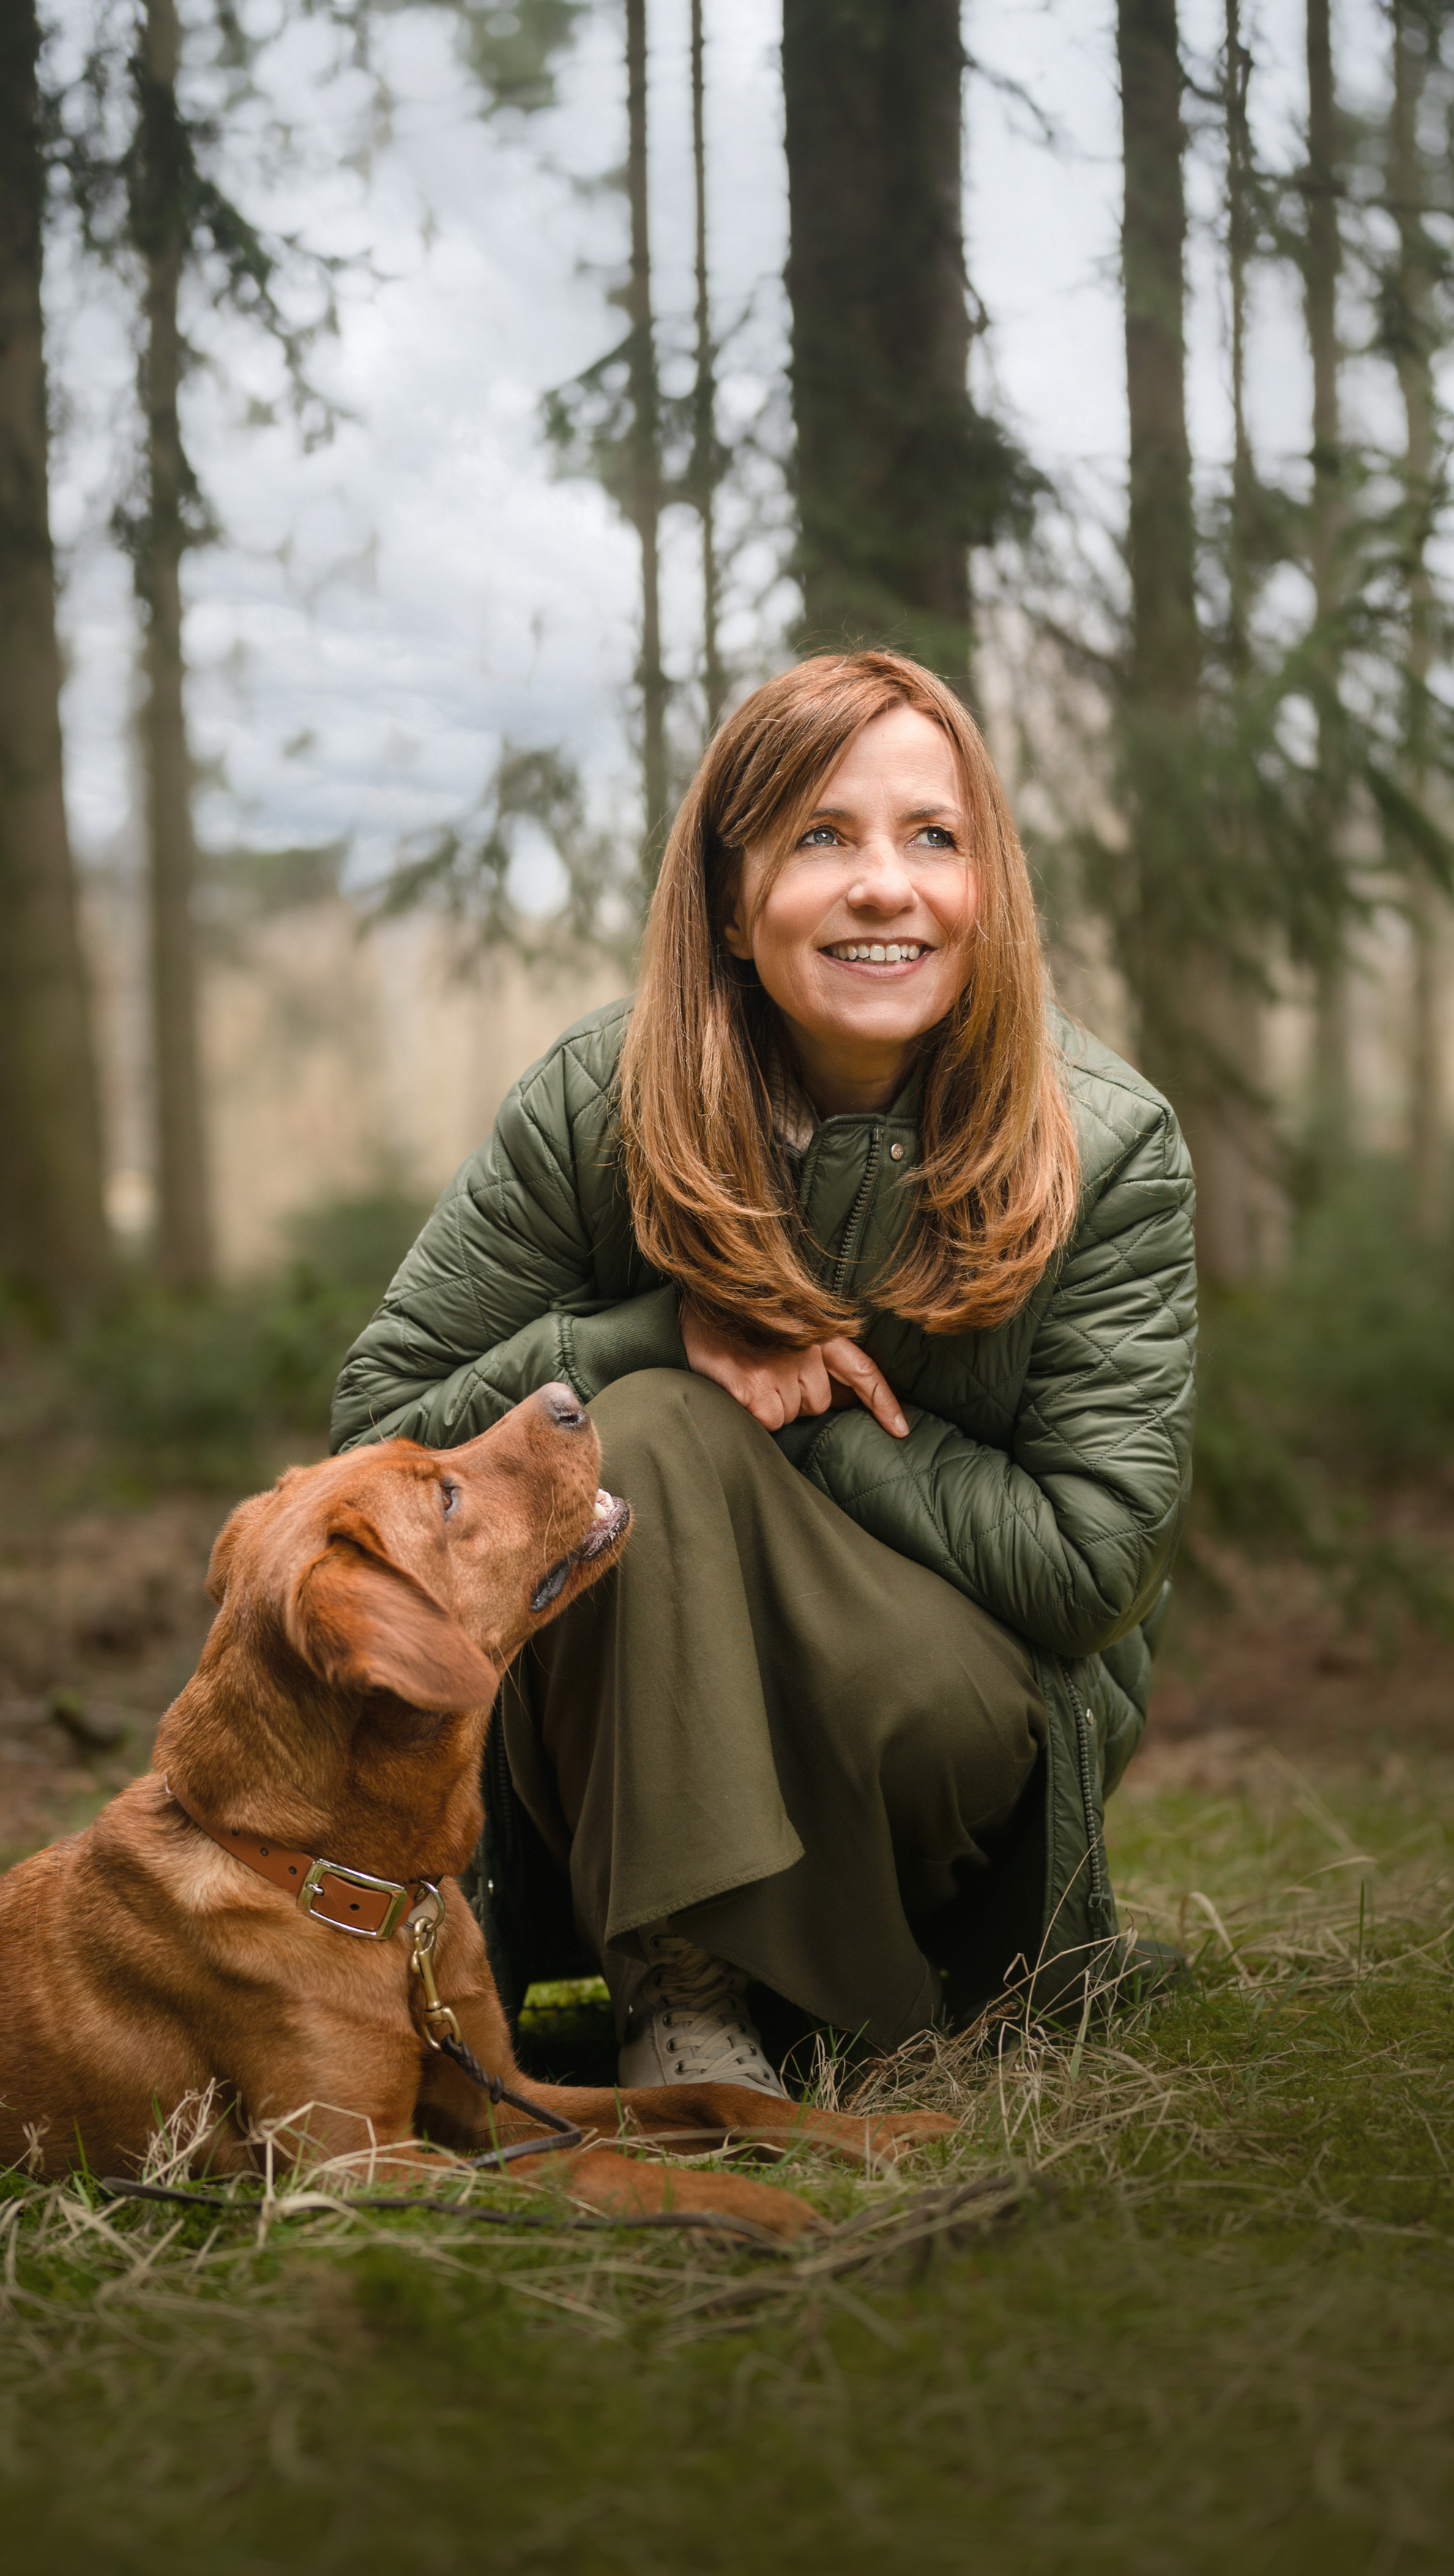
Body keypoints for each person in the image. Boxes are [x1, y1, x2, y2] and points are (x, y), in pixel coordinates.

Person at [332, 652, 1196, 2092]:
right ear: (731, 903)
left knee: (665, 1434)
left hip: (936, 1732)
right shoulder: (597, 1103)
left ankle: (816, 1975)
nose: (885, 887)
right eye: (821, 837)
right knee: (637, 1428)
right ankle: (684, 1998)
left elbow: (1091, 1563)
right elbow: (377, 1445)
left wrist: (817, 1419)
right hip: (617, 1730)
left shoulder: (1103, 1143)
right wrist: (654, 1336)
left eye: (934, 837)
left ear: (986, 887)